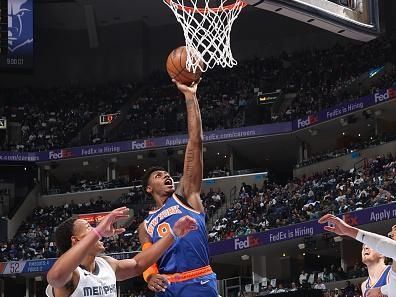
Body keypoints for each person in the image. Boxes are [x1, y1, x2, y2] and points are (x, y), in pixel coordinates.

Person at [138, 79, 218, 296]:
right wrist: (150, 276)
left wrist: (190, 97)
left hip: (197, 280)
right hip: (167, 288)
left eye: (167, 174)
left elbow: (195, 142)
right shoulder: (145, 226)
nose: (166, 176)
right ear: (148, 188)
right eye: (158, 175)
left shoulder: (186, 195)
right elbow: (147, 257)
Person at [46, 207, 197, 297]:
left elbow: (139, 263)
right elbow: (55, 277)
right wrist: (98, 231)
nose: (96, 231)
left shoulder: (107, 264)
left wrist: (173, 234)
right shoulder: (72, 274)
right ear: (76, 240)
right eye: (89, 228)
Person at [319, 214, 396, 297]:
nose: (366, 248)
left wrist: (348, 230)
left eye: (370, 246)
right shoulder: (364, 285)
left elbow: (387, 246)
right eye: (363, 247)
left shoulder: (391, 270)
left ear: (382, 252)